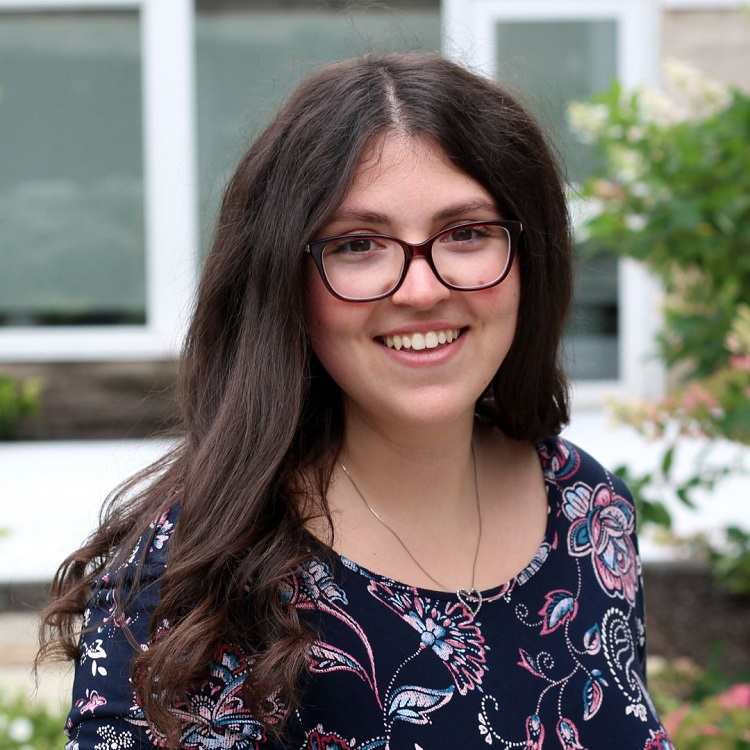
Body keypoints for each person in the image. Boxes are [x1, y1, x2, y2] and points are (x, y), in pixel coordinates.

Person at [40, 52, 673, 749]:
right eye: (359, 245)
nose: (421, 289)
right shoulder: (191, 583)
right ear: (284, 282)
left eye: (466, 233)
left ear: (531, 256)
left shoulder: (589, 511)